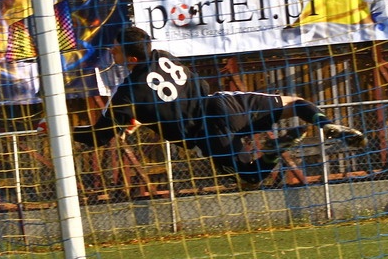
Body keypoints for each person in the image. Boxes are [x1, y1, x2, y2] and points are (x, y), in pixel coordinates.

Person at [60, 26, 366, 186]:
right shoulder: (164, 56)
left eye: (115, 46)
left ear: (132, 58)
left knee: (249, 178)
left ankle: (271, 153)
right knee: (296, 103)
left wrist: (61, 129)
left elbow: (97, 138)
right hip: (223, 104)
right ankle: (326, 125)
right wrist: (143, 117)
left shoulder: (128, 94)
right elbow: (193, 88)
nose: (111, 49)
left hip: (206, 133)